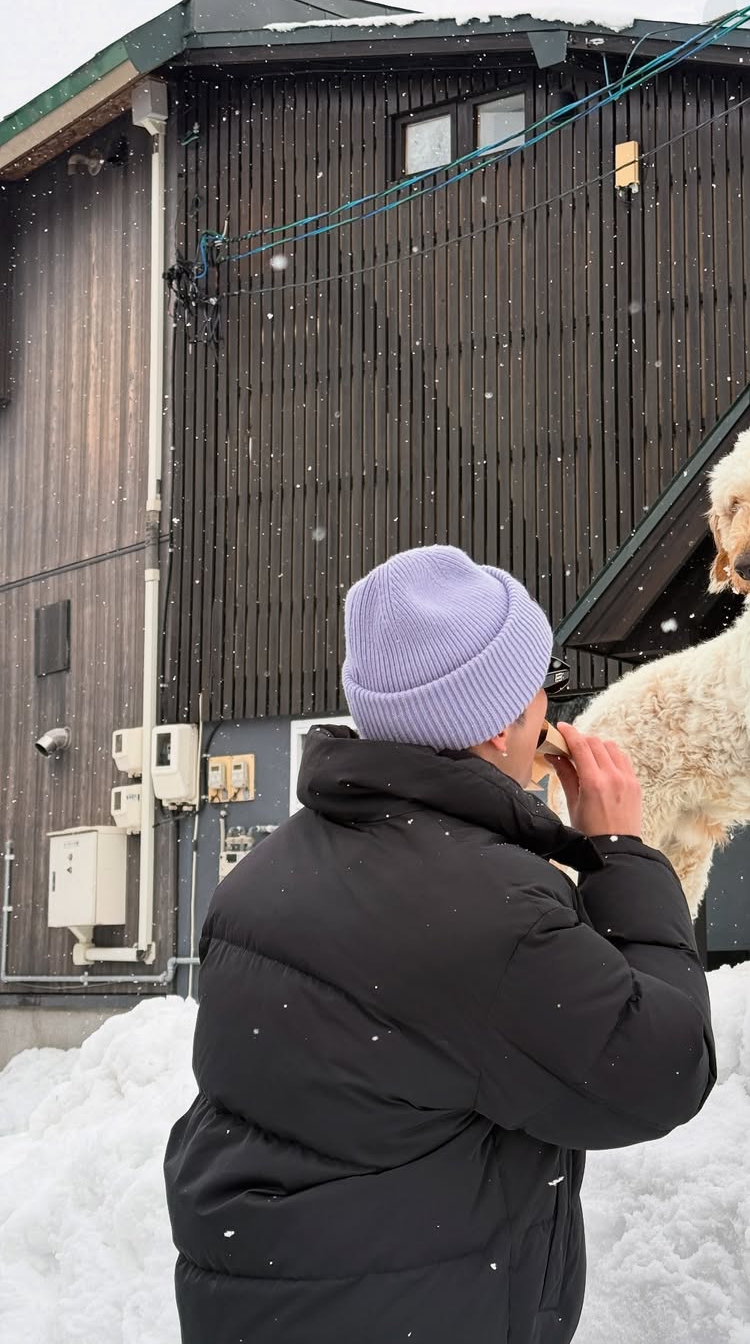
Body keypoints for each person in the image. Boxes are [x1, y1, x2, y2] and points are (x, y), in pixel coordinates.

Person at [164, 545, 716, 1344]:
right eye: (543, 688)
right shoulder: (489, 911)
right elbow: (661, 1072)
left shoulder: (267, 870)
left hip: (266, 1303)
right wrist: (625, 852)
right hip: (411, 1313)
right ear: (499, 723)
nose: (551, 712)